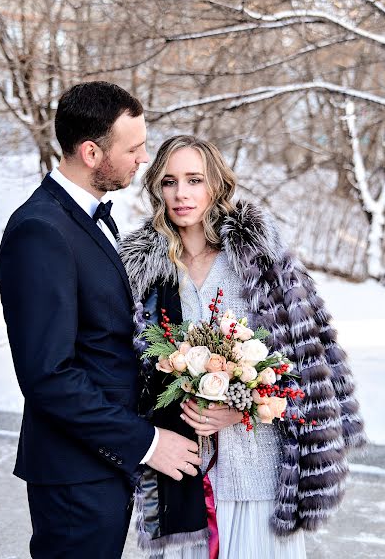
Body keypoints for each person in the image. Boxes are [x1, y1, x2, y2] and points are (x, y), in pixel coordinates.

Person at [120, 134, 366, 559]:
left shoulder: (261, 261)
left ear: (216, 184)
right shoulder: (142, 273)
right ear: (156, 189)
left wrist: (242, 404)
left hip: (256, 474)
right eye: (169, 181)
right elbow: (130, 377)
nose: (181, 194)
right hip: (180, 479)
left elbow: (308, 372)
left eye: (194, 179)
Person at [0, 84, 202, 559]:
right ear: (92, 152)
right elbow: (48, 375)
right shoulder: (41, 230)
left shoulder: (90, 218)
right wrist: (147, 443)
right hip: (76, 473)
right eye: (133, 149)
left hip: (100, 463)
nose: (143, 159)